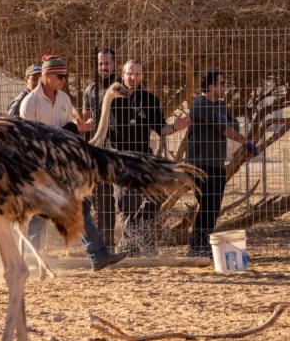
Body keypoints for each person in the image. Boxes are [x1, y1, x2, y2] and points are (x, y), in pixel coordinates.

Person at [20, 55, 126, 271]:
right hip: (39, 165)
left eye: (65, 77)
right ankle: (30, 259)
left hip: (61, 167)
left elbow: (66, 133)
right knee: (40, 216)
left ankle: (97, 255)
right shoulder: (30, 103)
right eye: (60, 76)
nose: (64, 80)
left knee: (78, 206)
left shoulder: (64, 100)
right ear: (46, 76)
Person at [106, 59, 192, 257]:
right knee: (126, 203)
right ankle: (132, 249)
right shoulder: (111, 97)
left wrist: (175, 127)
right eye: (129, 73)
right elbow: (100, 124)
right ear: (123, 73)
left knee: (159, 191)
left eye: (137, 74)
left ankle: (135, 236)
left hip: (144, 158)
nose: (133, 78)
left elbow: (160, 128)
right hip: (119, 160)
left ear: (142, 76)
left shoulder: (149, 99)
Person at [186, 71, 258, 258]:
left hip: (217, 164)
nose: (225, 86)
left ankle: (202, 245)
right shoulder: (200, 104)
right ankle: (197, 246)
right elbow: (226, 129)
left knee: (213, 206)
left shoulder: (221, 105)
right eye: (222, 83)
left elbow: (233, 125)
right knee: (208, 204)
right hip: (199, 163)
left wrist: (223, 124)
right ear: (210, 86)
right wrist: (245, 142)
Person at [81, 48, 119, 249]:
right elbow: (88, 120)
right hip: (98, 152)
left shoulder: (121, 87)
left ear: (115, 65)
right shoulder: (91, 90)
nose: (104, 67)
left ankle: (118, 244)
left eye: (107, 63)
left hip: (118, 149)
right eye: (101, 64)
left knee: (122, 199)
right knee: (101, 200)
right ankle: (105, 246)